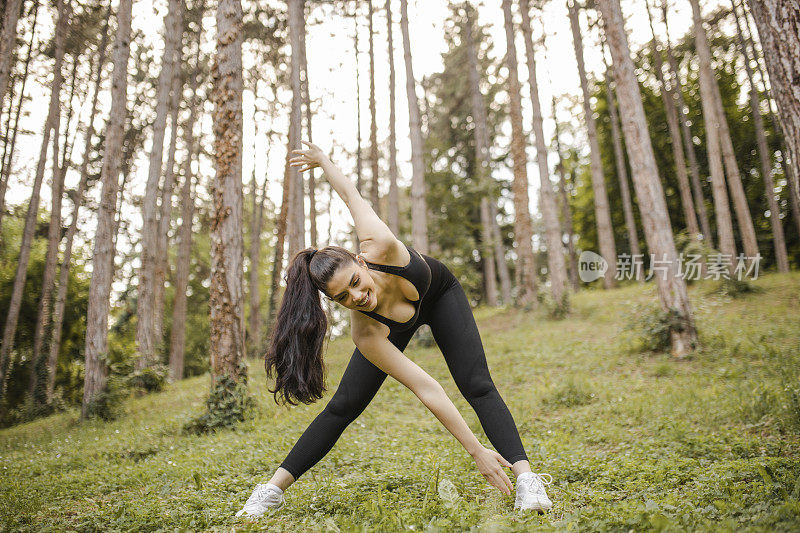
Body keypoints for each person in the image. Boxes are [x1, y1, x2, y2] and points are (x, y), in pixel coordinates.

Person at [235, 141, 552, 517]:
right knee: (342, 406)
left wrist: (323, 161)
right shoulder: (365, 332)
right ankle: (270, 491)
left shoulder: (380, 244)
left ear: (360, 260)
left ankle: (528, 481)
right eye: (342, 298)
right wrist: (476, 451)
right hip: (392, 326)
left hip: (439, 293)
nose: (357, 296)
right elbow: (425, 386)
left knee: (477, 384)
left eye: (355, 281)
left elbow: (351, 196)